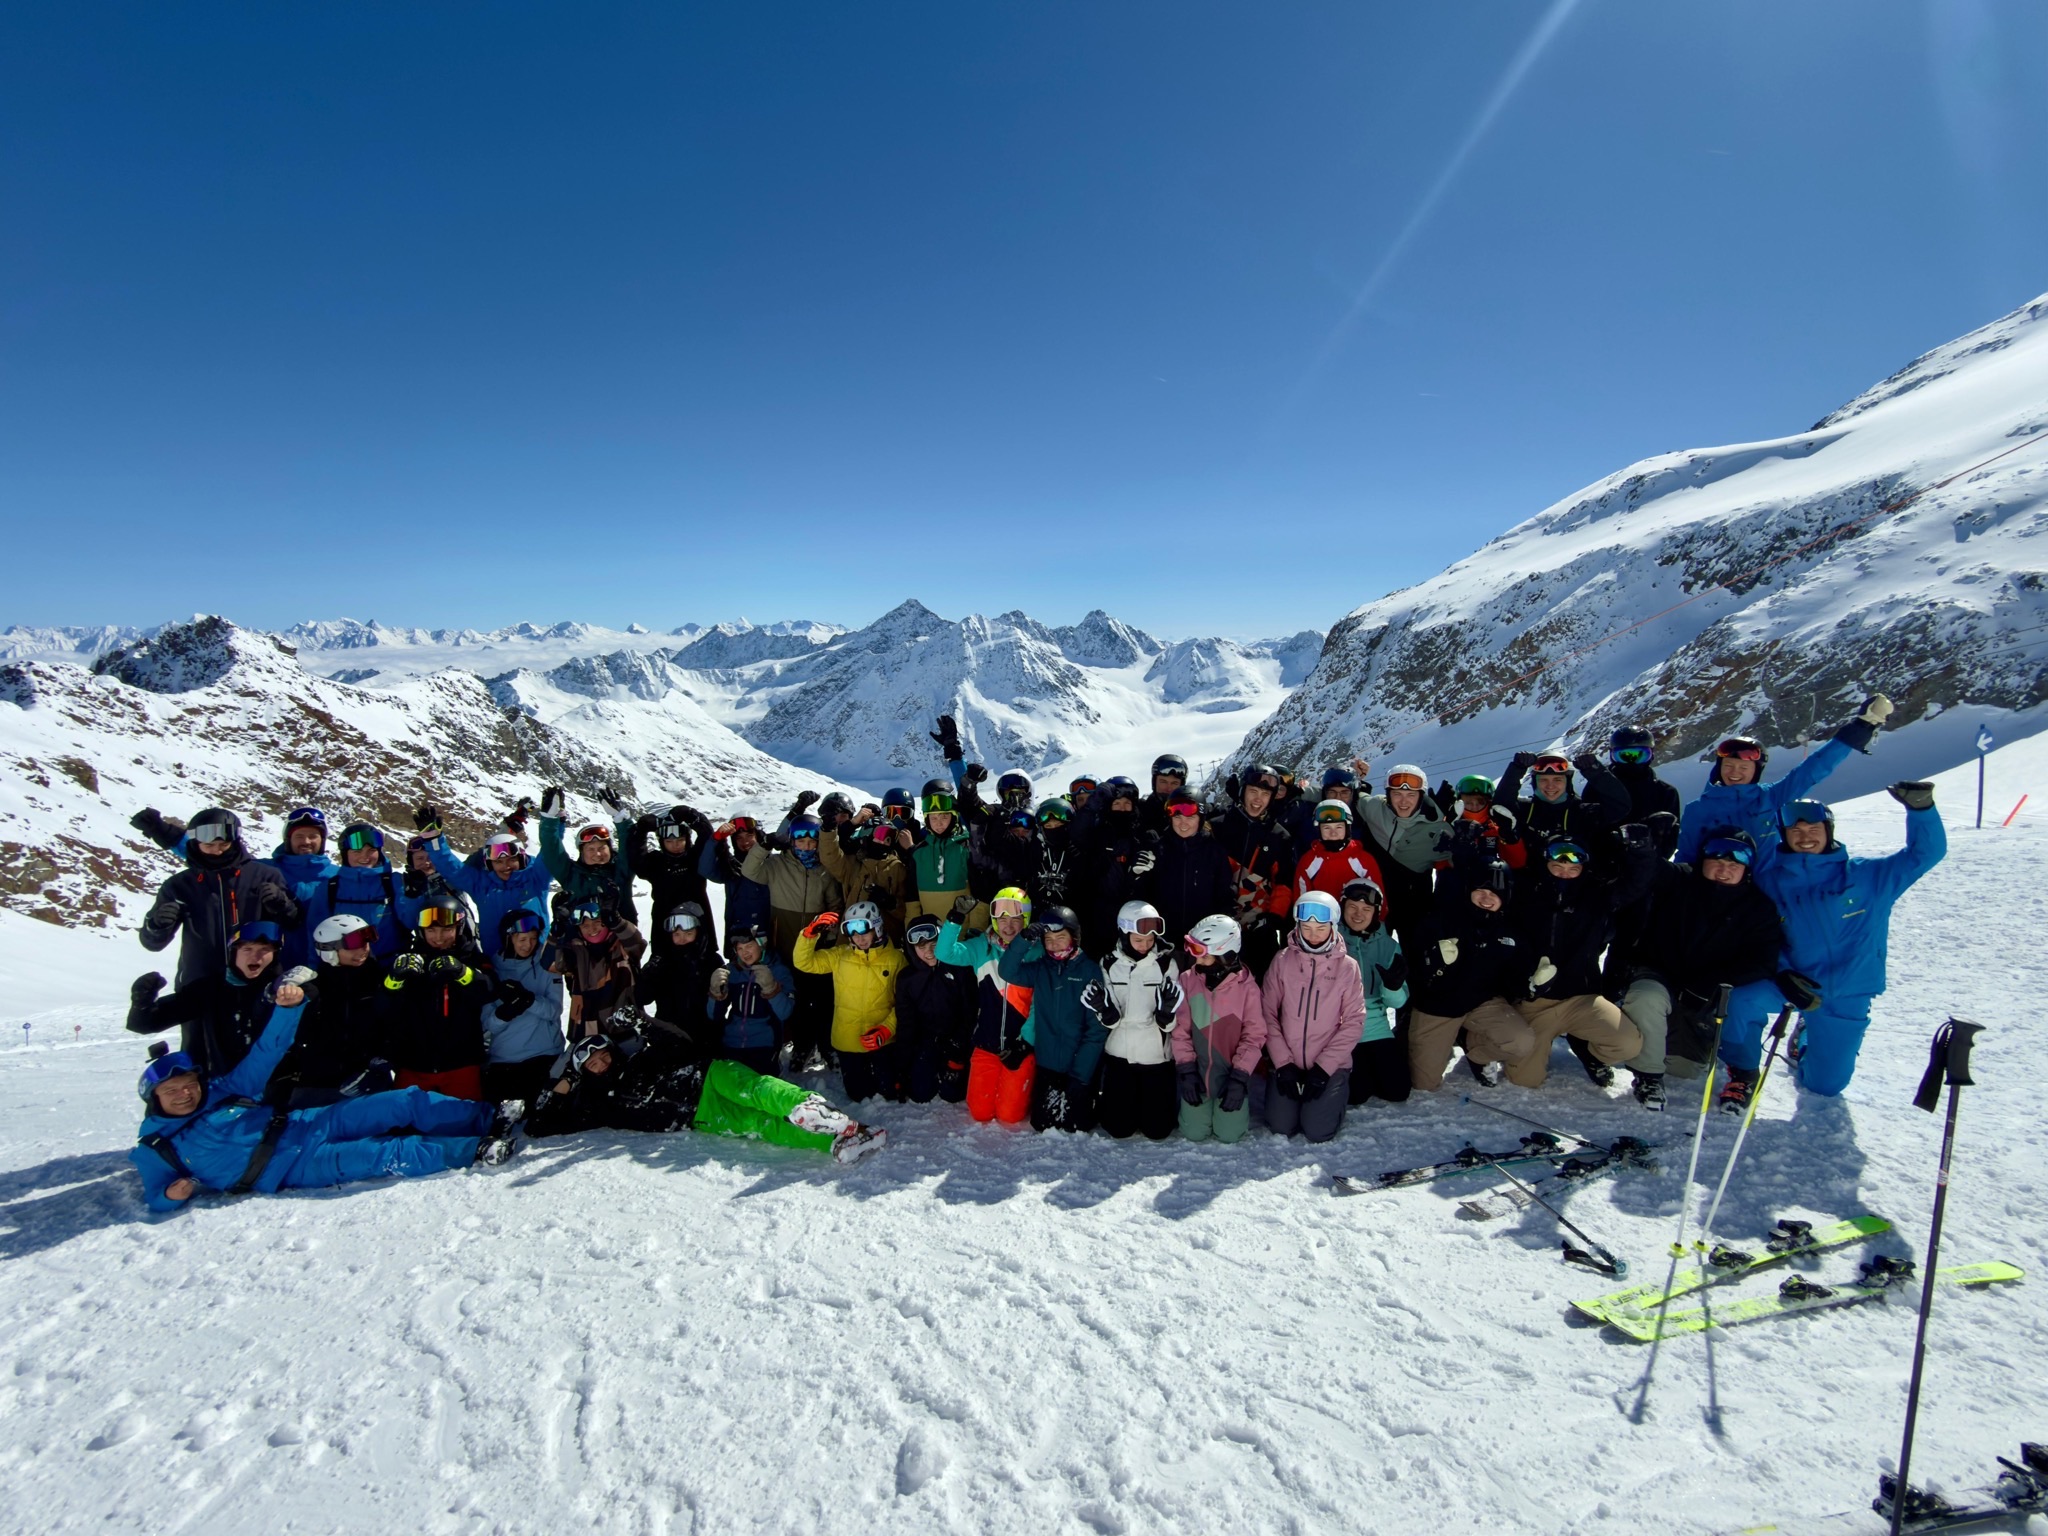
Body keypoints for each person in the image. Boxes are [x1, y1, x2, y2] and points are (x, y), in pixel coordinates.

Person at [131, 988, 512, 1215]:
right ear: (155, 1099)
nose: (185, 1094)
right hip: (288, 1168)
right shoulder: (155, 1146)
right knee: (381, 1153)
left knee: (401, 1102)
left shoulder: (223, 1089)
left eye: (188, 1084)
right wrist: (169, 1195)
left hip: (304, 1122)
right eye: (172, 1091)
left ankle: (489, 1116)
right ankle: (474, 1150)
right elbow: (154, 1197)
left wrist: (289, 1008)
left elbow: (267, 1051)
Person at [1731, 781, 1946, 1101]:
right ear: (1784, 836)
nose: (1805, 836)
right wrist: (1782, 972)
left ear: (1828, 831)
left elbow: (1926, 853)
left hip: (1847, 993)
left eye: (1813, 828)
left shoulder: (1869, 877)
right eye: (1795, 831)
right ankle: (1741, 1070)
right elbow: (1755, 934)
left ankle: (1804, 1038)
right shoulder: (1770, 882)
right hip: (1791, 981)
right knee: (1739, 1001)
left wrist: (1921, 809)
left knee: (1825, 1086)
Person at [1615, 828, 1786, 1109]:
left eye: (1734, 865)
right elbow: (1653, 870)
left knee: (1684, 1069)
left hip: (1707, 993)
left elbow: (1762, 960)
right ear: (1703, 861)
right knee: (1646, 999)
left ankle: (1690, 1042)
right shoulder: (1680, 880)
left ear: (1746, 870)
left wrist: (1712, 983)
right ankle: (1647, 1077)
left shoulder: (1758, 908)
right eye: (1717, 862)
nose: (1724, 870)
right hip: (1661, 974)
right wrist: (1642, 849)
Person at [524, 1031, 886, 1164]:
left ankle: (806, 1106)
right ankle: (837, 1140)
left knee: (758, 1091)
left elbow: (679, 1042)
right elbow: (540, 1126)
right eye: (592, 1064)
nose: (602, 1065)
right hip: (701, 1117)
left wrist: (644, 1026)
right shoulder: (597, 1106)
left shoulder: (638, 1057)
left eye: (603, 1056)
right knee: (764, 1127)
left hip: (709, 1077)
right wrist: (562, 1086)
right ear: (584, 1072)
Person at [1673, 694, 1894, 866]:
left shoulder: (1772, 797)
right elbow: (1686, 856)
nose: (1734, 772)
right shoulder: (1698, 809)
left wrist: (1862, 728)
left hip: (1770, 892)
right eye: (1728, 766)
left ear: (1756, 771)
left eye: (1743, 767)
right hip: (1719, 893)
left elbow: (1812, 770)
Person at [1503, 833, 1650, 1090]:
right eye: (1557, 866)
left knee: (1627, 1044)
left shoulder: (1597, 897)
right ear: (1545, 864)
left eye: (1573, 868)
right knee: (1524, 1079)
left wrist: (1641, 852)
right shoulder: (1524, 895)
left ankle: (1588, 1052)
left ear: (1583, 868)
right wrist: (1518, 983)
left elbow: (1635, 885)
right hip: (1535, 1002)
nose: (1564, 873)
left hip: (1581, 999)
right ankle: (1531, 1043)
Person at [1404, 858, 1534, 1091]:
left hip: (1480, 1002)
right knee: (1424, 1083)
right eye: (1480, 891)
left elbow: (1515, 976)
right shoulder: (1440, 920)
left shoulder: (1510, 931)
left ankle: (1474, 1048)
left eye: (1494, 894)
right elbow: (1413, 973)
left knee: (1521, 1042)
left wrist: (1531, 985)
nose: (1486, 898)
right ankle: (1431, 1040)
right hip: (1438, 1007)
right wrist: (1433, 962)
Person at [138, 806, 299, 990]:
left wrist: (281, 905)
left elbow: (292, 923)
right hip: (200, 987)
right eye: (209, 846)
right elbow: (152, 943)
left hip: (257, 983)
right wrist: (158, 925)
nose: (217, 851)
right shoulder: (179, 885)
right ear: (196, 844)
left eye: (224, 845)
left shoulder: (265, 876)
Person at [128, 919, 291, 1084]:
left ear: (275, 954)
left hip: (280, 1090)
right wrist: (141, 1001)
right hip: (225, 1090)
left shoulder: (289, 989)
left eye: (265, 950)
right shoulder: (210, 989)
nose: (256, 956)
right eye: (247, 949)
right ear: (233, 953)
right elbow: (145, 1024)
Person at [740, 811, 843, 1071]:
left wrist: (829, 930)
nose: (807, 847)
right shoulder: (777, 865)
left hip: (814, 949)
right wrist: (764, 845)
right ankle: (802, 1044)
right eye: (801, 842)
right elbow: (749, 870)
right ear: (792, 842)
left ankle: (826, 1045)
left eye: (812, 842)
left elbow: (834, 903)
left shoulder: (824, 871)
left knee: (820, 999)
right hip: (784, 945)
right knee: (795, 1000)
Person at [1259, 891, 1365, 1142]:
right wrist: (1282, 1063)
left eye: (1321, 928)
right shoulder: (1283, 960)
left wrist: (1324, 1068)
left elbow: (1354, 1021)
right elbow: (1267, 1012)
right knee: (1281, 1126)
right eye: (1306, 927)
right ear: (1297, 925)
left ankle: (1335, 1094)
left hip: (1328, 1065)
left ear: (1333, 926)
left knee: (1318, 1131)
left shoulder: (1347, 967)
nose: (1313, 935)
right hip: (1288, 1063)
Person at [996, 904, 1108, 1133]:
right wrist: (1024, 940)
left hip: (1078, 1066)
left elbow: (1096, 1029)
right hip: (1048, 1065)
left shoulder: (1089, 971)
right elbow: (1007, 971)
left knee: (1078, 1126)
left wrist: (1081, 1075)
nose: (1054, 944)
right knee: (1043, 1125)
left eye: (1061, 937)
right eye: (1048, 939)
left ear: (1074, 937)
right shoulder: (1040, 969)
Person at [937, 887, 1038, 1125]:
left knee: (1009, 1116)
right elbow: (945, 953)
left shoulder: (1036, 953)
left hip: (1020, 1046)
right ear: (994, 919)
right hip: (986, 1043)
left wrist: (1025, 1044)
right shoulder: (981, 947)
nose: (1009, 926)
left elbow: (1039, 1005)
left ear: (1026, 920)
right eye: (1002, 919)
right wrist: (954, 919)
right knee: (980, 1112)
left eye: (1016, 919)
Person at [275, 914, 396, 1107]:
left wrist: (382, 1065)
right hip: (319, 1086)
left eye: (367, 938)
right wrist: (288, 998)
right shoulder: (315, 988)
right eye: (352, 943)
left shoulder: (382, 982)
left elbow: (397, 1027)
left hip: (370, 1084)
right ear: (328, 950)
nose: (363, 948)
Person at [380, 897, 493, 1099]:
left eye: (446, 930)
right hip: (414, 1064)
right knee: (404, 1123)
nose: (439, 937)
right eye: (431, 930)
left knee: (464, 1123)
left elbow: (487, 991)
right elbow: (383, 1007)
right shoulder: (409, 960)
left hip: (461, 1063)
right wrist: (394, 980)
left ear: (458, 928)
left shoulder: (472, 958)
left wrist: (462, 973)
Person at [1089, 901, 1184, 1141]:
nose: (1145, 946)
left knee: (1158, 1131)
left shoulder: (1165, 964)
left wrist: (1166, 1016)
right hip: (1120, 1054)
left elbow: (1171, 1023)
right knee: (1118, 1129)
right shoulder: (1109, 964)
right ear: (1123, 933)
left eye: (1150, 940)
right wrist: (1105, 1011)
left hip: (1156, 1057)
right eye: (1138, 940)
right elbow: (1108, 1021)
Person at [792, 901, 904, 1103]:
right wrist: (809, 935)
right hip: (848, 1041)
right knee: (858, 1095)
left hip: (881, 1040)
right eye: (852, 932)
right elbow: (803, 962)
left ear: (877, 928)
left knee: (888, 1092)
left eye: (864, 931)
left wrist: (887, 1030)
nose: (859, 938)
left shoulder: (896, 959)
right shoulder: (840, 956)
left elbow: (905, 1003)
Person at [1169, 914, 1266, 1143]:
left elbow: (1254, 1037)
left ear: (1226, 954)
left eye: (1203, 956)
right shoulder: (1188, 981)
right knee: (1194, 1132)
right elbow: (1180, 1031)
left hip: (1229, 1075)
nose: (1196, 962)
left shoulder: (1247, 989)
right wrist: (1187, 1071)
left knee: (1229, 1134)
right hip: (1198, 1073)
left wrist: (1239, 1079)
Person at [424, 818, 555, 958]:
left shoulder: (536, 879)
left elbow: (550, 850)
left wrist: (552, 820)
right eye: (499, 861)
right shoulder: (481, 885)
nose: (506, 866)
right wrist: (434, 840)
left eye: (512, 859)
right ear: (490, 864)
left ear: (522, 859)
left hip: (537, 962)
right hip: (497, 963)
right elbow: (451, 868)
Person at [1213, 764, 1296, 975]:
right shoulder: (1218, 827)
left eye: (1265, 794)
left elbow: (1284, 882)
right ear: (1242, 792)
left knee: (1263, 991)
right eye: (1253, 791)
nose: (1258, 799)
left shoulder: (1279, 836)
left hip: (1259, 930)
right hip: (1219, 927)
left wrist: (1273, 917)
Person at [479, 908, 567, 1105]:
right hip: (505, 1058)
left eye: (533, 939)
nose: (529, 945)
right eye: (522, 940)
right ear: (509, 938)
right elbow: (487, 1024)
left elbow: (554, 1011)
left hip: (545, 1053)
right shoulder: (492, 969)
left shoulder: (547, 964)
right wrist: (504, 1013)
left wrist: (529, 1000)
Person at [1336, 878, 1411, 1105]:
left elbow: (1397, 1004)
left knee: (1398, 1091)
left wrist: (1393, 987)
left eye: (1366, 909)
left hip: (1375, 1025)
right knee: (1357, 1094)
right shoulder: (1331, 940)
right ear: (1343, 908)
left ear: (1376, 912)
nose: (1358, 915)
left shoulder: (1388, 945)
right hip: (1340, 1026)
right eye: (1352, 907)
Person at [1355, 765, 1450, 944]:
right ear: (1388, 795)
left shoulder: (1439, 828)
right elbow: (1345, 795)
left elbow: (1456, 864)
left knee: (1414, 960)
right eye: (1397, 794)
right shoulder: (1375, 807)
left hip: (1414, 908)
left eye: (1411, 795)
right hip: (1377, 904)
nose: (1403, 801)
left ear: (1421, 797)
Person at [296, 822, 410, 963]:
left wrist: (414, 896)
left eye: (371, 850)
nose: (365, 857)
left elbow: (411, 922)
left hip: (390, 965)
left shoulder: (393, 882)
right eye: (357, 852)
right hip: (346, 970)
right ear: (345, 854)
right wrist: (314, 968)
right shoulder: (330, 888)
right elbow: (316, 931)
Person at [893, 915, 976, 1103]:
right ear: (912, 949)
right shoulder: (907, 978)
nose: (929, 952)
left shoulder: (961, 969)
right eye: (921, 947)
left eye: (934, 944)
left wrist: (960, 1047)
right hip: (926, 1043)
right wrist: (902, 1068)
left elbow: (970, 1012)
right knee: (920, 1094)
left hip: (956, 1042)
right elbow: (906, 1024)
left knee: (952, 1094)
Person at [534, 786, 639, 928]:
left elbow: (630, 847)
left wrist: (621, 818)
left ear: (610, 849)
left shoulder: (621, 872)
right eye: (591, 849)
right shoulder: (570, 874)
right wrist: (548, 821)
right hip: (580, 943)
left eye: (602, 848)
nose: (597, 854)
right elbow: (551, 850)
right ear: (581, 852)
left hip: (620, 942)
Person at [1142, 788, 1235, 943]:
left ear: (1201, 819)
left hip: (1203, 944)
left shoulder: (1214, 852)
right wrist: (1136, 876)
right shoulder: (1158, 850)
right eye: (1177, 816)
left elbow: (1224, 895)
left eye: (1190, 817)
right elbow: (1146, 895)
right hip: (1165, 942)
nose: (1183, 823)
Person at [1073, 777, 1154, 956]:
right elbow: (1078, 835)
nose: (1123, 808)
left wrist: (1142, 874)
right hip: (1099, 918)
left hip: (1134, 918)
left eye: (1127, 803)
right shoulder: (1097, 834)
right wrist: (1092, 805)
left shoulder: (1141, 835)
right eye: (1117, 803)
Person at [1494, 751, 1632, 847]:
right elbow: (1500, 806)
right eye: (1543, 780)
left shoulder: (1582, 813)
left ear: (1568, 782)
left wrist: (1595, 771)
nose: (1550, 786)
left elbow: (1619, 807)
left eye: (1557, 779)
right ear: (1534, 783)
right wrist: (1516, 769)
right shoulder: (1526, 810)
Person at [629, 804, 720, 949]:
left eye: (679, 840)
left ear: (687, 839)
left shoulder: (695, 858)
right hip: (664, 932)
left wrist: (692, 815)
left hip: (700, 929)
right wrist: (641, 830)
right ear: (662, 843)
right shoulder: (656, 862)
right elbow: (636, 860)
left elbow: (707, 836)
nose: (675, 845)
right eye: (669, 842)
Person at [558, 900, 646, 1039]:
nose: (592, 929)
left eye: (597, 923)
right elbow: (549, 964)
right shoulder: (574, 950)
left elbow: (637, 941)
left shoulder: (621, 945)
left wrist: (617, 921)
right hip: (586, 1032)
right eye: (585, 925)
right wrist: (558, 929)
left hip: (624, 1030)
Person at [820, 808, 911, 940]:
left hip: (885, 946)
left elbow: (908, 911)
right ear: (867, 836)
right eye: (880, 835)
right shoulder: (853, 865)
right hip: (850, 941)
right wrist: (828, 830)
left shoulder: (897, 869)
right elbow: (830, 857)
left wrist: (891, 903)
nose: (884, 842)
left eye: (889, 839)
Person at [271, 807, 338, 969]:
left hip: (325, 967)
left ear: (322, 840)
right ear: (288, 839)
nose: (306, 842)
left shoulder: (338, 875)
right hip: (274, 966)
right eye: (299, 836)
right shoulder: (266, 870)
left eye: (313, 836)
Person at [1292, 800, 1388, 907]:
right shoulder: (1308, 861)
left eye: (1339, 827)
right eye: (1326, 828)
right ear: (1318, 830)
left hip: (1356, 920)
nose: (1333, 833)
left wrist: (1378, 922)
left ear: (1347, 829)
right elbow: (1301, 901)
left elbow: (1378, 900)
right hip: (1322, 920)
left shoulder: (1364, 860)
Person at [1605, 726, 1681, 858]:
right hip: (1607, 864)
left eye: (1640, 755)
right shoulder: (1600, 788)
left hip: (1649, 865)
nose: (1632, 762)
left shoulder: (1665, 792)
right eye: (1623, 756)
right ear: (1612, 756)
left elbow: (1671, 841)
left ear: (1652, 755)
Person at [700, 814, 773, 939]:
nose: (745, 842)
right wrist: (715, 840)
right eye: (739, 838)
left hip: (771, 937)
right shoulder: (731, 868)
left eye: (750, 836)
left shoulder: (773, 864)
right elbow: (706, 870)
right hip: (740, 941)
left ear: (759, 836)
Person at [1443, 776, 1526, 871]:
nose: (1474, 806)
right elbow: (1438, 865)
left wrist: (1510, 838)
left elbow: (1517, 862)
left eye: (1480, 802)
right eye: (1468, 802)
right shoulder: (1449, 824)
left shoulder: (1496, 828)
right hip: (1456, 881)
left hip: (1492, 882)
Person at [1138, 751, 1192, 837]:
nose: (1168, 788)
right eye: (1163, 782)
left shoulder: (1191, 812)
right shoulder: (1141, 811)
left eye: (1174, 783)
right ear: (1154, 782)